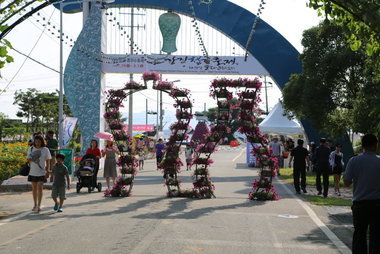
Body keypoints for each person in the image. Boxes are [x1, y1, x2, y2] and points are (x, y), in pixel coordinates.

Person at [344, 134, 380, 253]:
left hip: (360, 204)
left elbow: (347, 182)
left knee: (359, 235)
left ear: (362, 146)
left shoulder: (354, 160)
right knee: (376, 236)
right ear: (376, 145)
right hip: (377, 204)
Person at [27, 135, 52, 213]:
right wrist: (31, 158)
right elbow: (28, 160)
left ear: (42, 141)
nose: (37, 143)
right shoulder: (31, 149)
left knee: (40, 187)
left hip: (42, 172)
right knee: (34, 188)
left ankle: (39, 205)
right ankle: (35, 204)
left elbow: (48, 160)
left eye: (39, 141)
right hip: (32, 171)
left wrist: (48, 170)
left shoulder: (45, 150)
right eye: (36, 141)